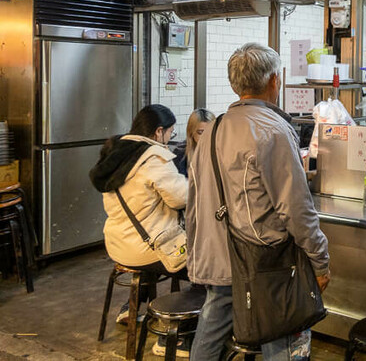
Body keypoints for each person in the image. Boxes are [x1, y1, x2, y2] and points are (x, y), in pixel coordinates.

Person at [187, 43, 330, 361]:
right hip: (265, 265)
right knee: (282, 342)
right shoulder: (273, 130)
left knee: (209, 338)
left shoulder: (212, 129)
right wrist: (320, 260)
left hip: (221, 259)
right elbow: (296, 208)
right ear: (274, 81)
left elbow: (195, 199)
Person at [89, 104, 190, 357]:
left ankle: (130, 307)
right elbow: (181, 197)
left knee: (153, 249)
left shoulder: (117, 152)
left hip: (117, 245)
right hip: (147, 249)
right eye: (170, 133)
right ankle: (175, 335)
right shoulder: (153, 158)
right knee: (207, 267)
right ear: (158, 132)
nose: (170, 139)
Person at [172, 109, 215, 177]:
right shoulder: (180, 154)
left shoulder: (220, 152)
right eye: (200, 132)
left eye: (210, 132)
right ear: (191, 132)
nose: (206, 137)